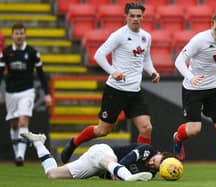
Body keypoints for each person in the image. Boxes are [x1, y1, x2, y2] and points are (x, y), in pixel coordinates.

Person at [61, 2, 160, 164]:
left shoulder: (146, 37)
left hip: (135, 92)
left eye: (138, 16)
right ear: (126, 17)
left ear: (143, 17)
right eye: (132, 16)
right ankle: (74, 142)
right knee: (102, 130)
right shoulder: (119, 35)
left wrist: (153, 71)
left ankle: (143, 163)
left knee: (146, 128)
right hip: (116, 90)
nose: (135, 19)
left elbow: (145, 59)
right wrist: (113, 71)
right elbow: (99, 55)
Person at [172, 11, 216, 181]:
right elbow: (178, 61)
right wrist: (191, 77)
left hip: (214, 88)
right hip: (193, 88)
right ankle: (177, 137)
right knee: (194, 129)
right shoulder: (200, 40)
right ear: (211, 24)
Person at [20, 131, 174, 180]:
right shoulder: (148, 150)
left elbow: (105, 177)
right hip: (103, 152)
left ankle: (39, 142)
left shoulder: (150, 173)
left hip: (97, 166)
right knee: (111, 161)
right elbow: (129, 158)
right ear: (158, 154)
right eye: (155, 160)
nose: (152, 163)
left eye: (156, 165)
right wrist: (120, 175)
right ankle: (127, 178)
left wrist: (109, 175)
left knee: (52, 174)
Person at [0, 23, 52, 166]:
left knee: (23, 121)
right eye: (17, 33)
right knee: (14, 124)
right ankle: (17, 150)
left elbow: (41, 75)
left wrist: (47, 94)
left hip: (27, 92)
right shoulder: (6, 52)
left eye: (21, 33)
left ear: (25, 35)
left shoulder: (32, 52)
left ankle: (20, 156)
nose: (19, 36)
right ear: (12, 35)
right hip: (10, 92)